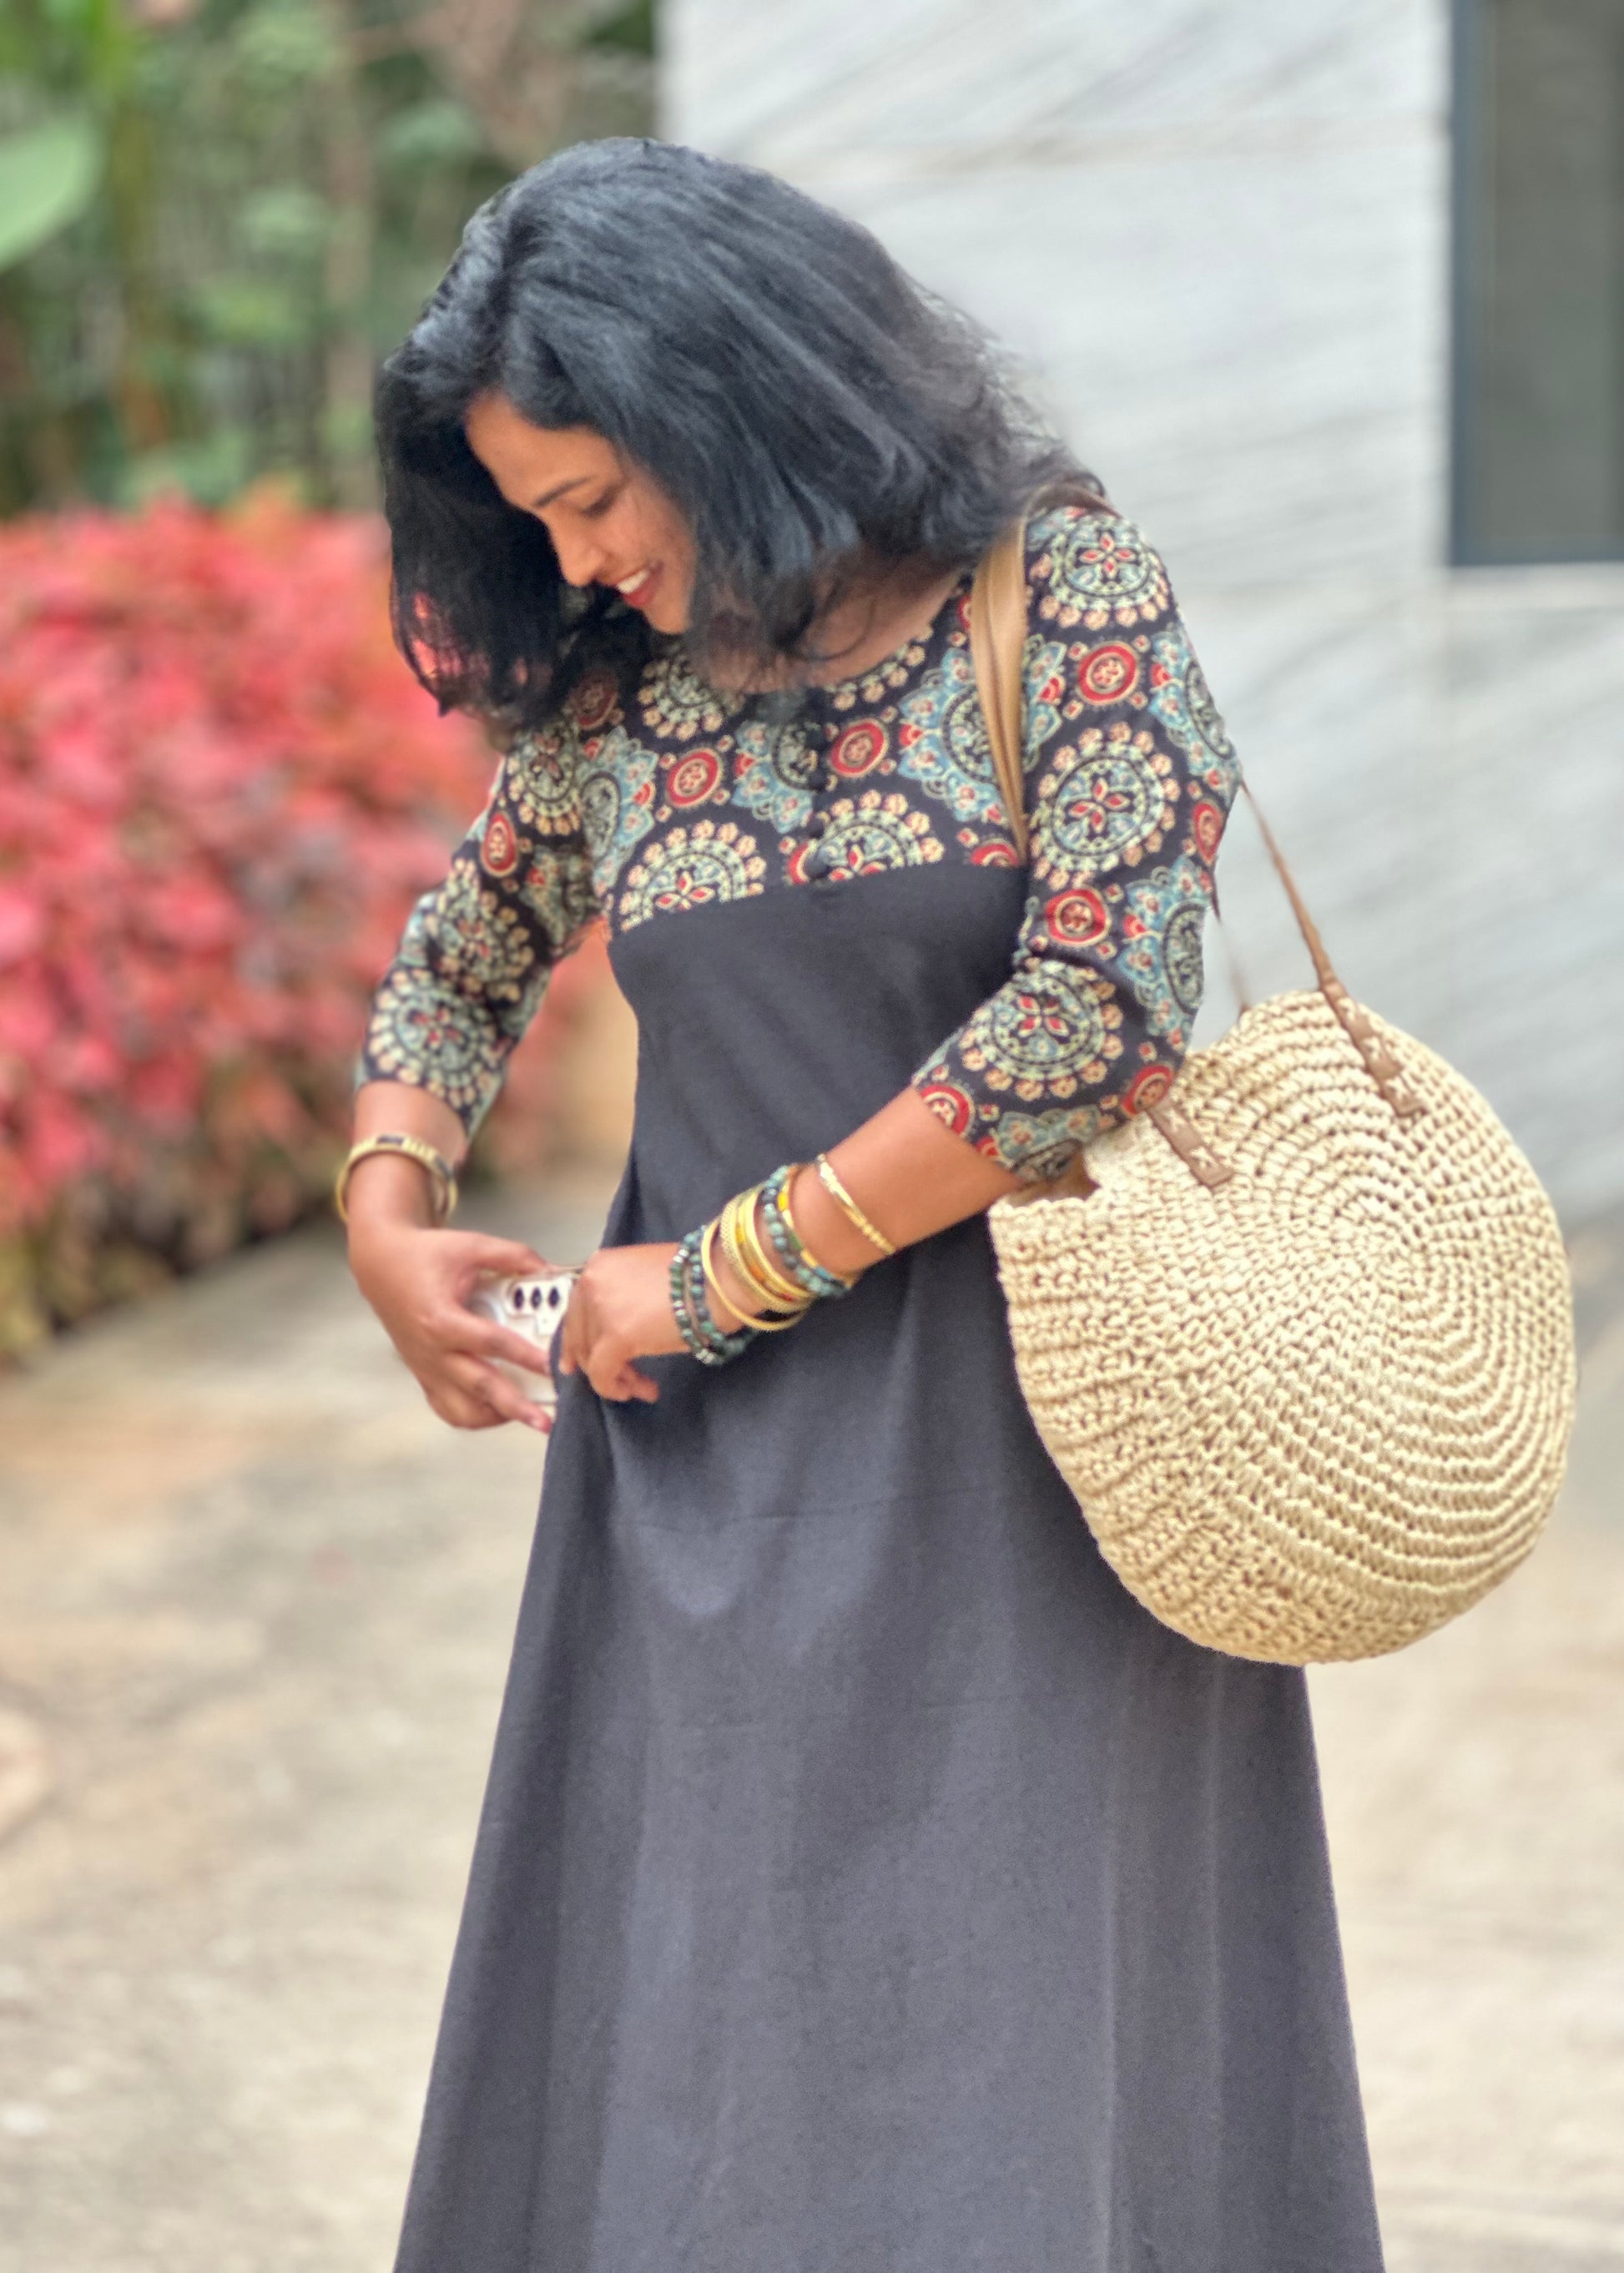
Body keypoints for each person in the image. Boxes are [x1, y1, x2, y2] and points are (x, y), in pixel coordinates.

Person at [343, 136, 1384, 2273]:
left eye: (593, 495)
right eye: (535, 522)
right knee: (721, 2055)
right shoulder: (622, 692)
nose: (578, 556)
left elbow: (1096, 1011)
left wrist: (718, 1275)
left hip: (1052, 1458)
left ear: (727, 393)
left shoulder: (1056, 586)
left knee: (1027, 2043)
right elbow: (462, 955)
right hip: (707, 1491)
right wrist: (387, 1195)